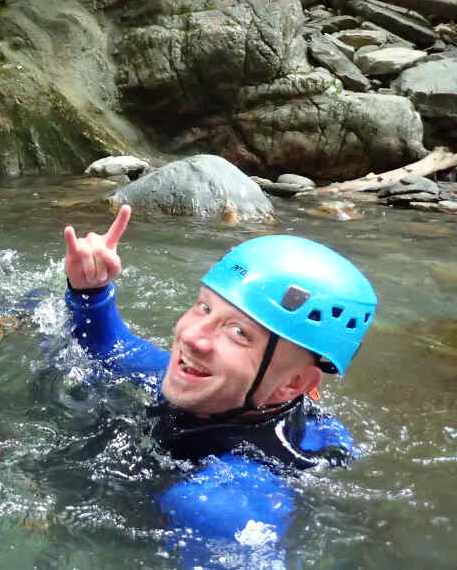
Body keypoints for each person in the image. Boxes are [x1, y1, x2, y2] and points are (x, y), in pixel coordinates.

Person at [61, 205, 377, 566]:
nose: (192, 337)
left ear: (293, 383)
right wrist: (91, 292)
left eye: (239, 333)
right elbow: (112, 349)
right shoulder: (222, 388)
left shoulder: (222, 506)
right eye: (204, 308)